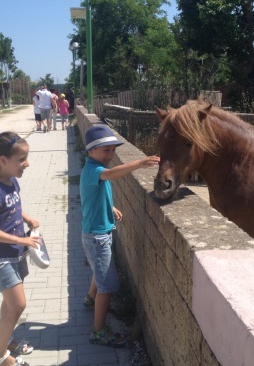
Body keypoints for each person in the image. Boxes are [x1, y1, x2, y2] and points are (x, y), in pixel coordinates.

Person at [80, 125, 160, 347]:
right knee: (108, 286)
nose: (110, 155)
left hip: (96, 232)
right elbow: (110, 174)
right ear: (90, 151)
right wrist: (139, 163)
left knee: (100, 269)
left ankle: (89, 299)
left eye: (113, 150)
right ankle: (98, 331)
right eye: (105, 150)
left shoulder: (93, 169)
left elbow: (97, 194)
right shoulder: (94, 171)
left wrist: (111, 208)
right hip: (97, 237)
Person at [0, 123, 42, 366]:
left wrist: (26, 218)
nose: (26, 163)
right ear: (3, 160)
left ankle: (7, 340)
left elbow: (12, 207)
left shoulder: (11, 181)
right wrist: (20, 239)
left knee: (10, 305)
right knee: (18, 304)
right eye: (22, 159)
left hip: (16, 253)